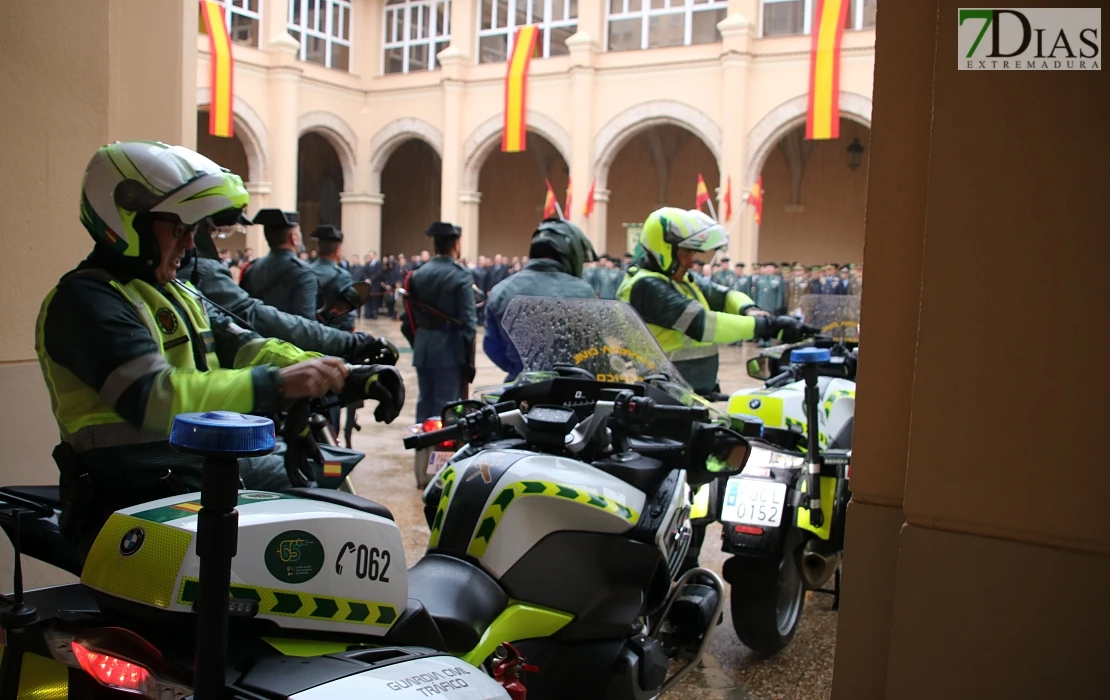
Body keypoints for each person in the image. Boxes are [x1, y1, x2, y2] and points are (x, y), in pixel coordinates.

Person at [36, 142, 372, 553]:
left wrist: (335, 372)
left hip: (197, 482)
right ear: (130, 220)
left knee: (352, 514)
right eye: (179, 229)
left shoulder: (173, 291)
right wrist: (277, 385)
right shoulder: (85, 301)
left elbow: (245, 345)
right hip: (131, 512)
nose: (190, 245)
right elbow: (156, 397)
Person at [616, 207, 811, 397]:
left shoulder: (679, 279)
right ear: (664, 250)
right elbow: (702, 324)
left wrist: (749, 309)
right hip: (658, 391)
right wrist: (767, 326)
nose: (691, 262)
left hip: (685, 389)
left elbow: (724, 295)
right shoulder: (646, 286)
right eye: (687, 254)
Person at [484, 219, 598, 381]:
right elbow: (594, 347)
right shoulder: (583, 291)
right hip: (572, 389)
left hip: (520, 387)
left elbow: (492, 346)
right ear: (571, 254)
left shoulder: (501, 290)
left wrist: (520, 368)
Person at [405, 222, 478, 422]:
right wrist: (467, 358)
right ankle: (440, 453)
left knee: (424, 403)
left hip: (423, 347)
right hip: (449, 350)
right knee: (445, 408)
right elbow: (469, 323)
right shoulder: (459, 274)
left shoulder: (418, 273)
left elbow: (407, 319)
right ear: (455, 245)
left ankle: (421, 451)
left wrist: (419, 341)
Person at [240, 208, 317, 319]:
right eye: (299, 232)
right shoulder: (303, 272)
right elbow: (307, 324)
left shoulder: (251, 268)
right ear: (293, 238)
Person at [309, 225, 357, 332]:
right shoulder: (342, 276)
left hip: (308, 331)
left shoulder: (305, 271)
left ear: (317, 249)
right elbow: (348, 312)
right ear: (337, 251)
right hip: (333, 333)